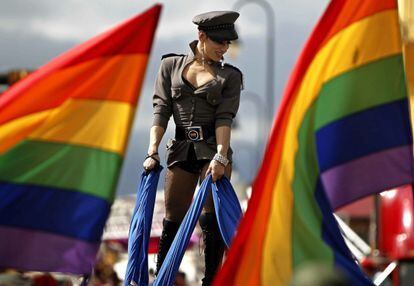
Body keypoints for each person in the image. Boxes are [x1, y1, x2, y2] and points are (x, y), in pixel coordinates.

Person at [142, 10, 243, 286]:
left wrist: (221, 155)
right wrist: (152, 151)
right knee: (173, 218)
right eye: (219, 42)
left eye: (227, 44)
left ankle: (212, 280)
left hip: (214, 150)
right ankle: (163, 277)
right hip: (181, 148)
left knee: (211, 220)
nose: (224, 49)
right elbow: (160, 110)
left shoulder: (230, 77)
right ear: (201, 36)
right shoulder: (170, 66)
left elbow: (225, 118)